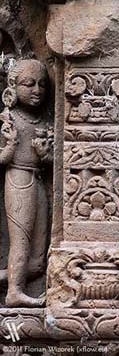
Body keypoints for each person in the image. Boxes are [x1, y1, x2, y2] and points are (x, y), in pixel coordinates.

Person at [0, 59, 52, 307]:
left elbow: (53, 160)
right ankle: (14, 293)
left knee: (37, 262)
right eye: (29, 84)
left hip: (37, 180)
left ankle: (12, 280)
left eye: (42, 84)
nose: (37, 90)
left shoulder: (43, 119)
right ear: (13, 86)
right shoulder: (9, 119)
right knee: (20, 241)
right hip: (18, 178)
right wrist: (11, 144)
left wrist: (45, 154)